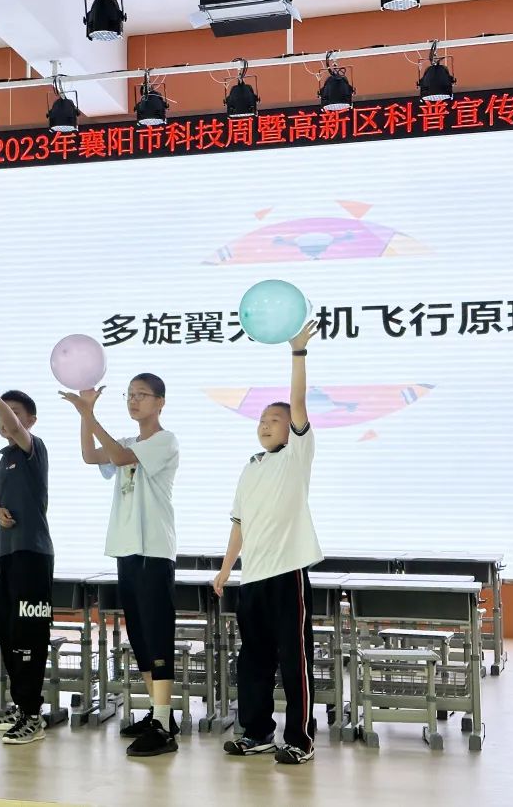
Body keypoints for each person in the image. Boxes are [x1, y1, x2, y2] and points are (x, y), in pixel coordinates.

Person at [214, 321, 322, 765]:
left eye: (274, 420)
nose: (265, 425)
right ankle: (256, 732)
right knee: (253, 660)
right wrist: (226, 569)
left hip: (287, 573)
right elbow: (239, 523)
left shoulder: (297, 455)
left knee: (294, 659)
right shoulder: (251, 466)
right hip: (253, 578)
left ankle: (300, 739)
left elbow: (298, 402)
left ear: (290, 429)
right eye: (261, 420)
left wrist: (298, 352)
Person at [62, 373, 180, 758]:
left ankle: (163, 723)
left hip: (153, 551)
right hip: (127, 551)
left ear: (160, 402)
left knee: (157, 635)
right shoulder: (127, 441)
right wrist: (85, 415)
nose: (133, 400)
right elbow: (89, 455)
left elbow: (118, 457)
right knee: (141, 638)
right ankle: (159, 715)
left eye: (142, 395)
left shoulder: (164, 441)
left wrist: (89, 415)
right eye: (130, 395)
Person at [0, 387, 53, 746]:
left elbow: (15, 427)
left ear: (31, 421)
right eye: (2, 413)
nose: (5, 418)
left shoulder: (33, 449)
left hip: (32, 555)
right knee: (7, 634)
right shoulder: (4, 458)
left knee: (28, 635)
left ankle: (32, 715)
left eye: (14, 412)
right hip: (6, 555)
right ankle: (22, 707)